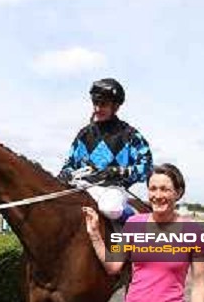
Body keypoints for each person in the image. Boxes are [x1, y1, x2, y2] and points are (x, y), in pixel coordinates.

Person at [83, 163, 204, 302]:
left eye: (164, 189)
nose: (157, 195)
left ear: (178, 193)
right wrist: (94, 234)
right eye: (153, 189)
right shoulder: (134, 224)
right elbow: (113, 266)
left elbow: (199, 285)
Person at [59, 78, 153, 222]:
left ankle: (135, 220)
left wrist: (120, 171)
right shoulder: (84, 134)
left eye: (103, 104)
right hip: (83, 185)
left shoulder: (129, 134)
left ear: (115, 107)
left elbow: (147, 167)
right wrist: (66, 173)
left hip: (112, 190)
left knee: (110, 209)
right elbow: (70, 163)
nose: (97, 109)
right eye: (95, 103)